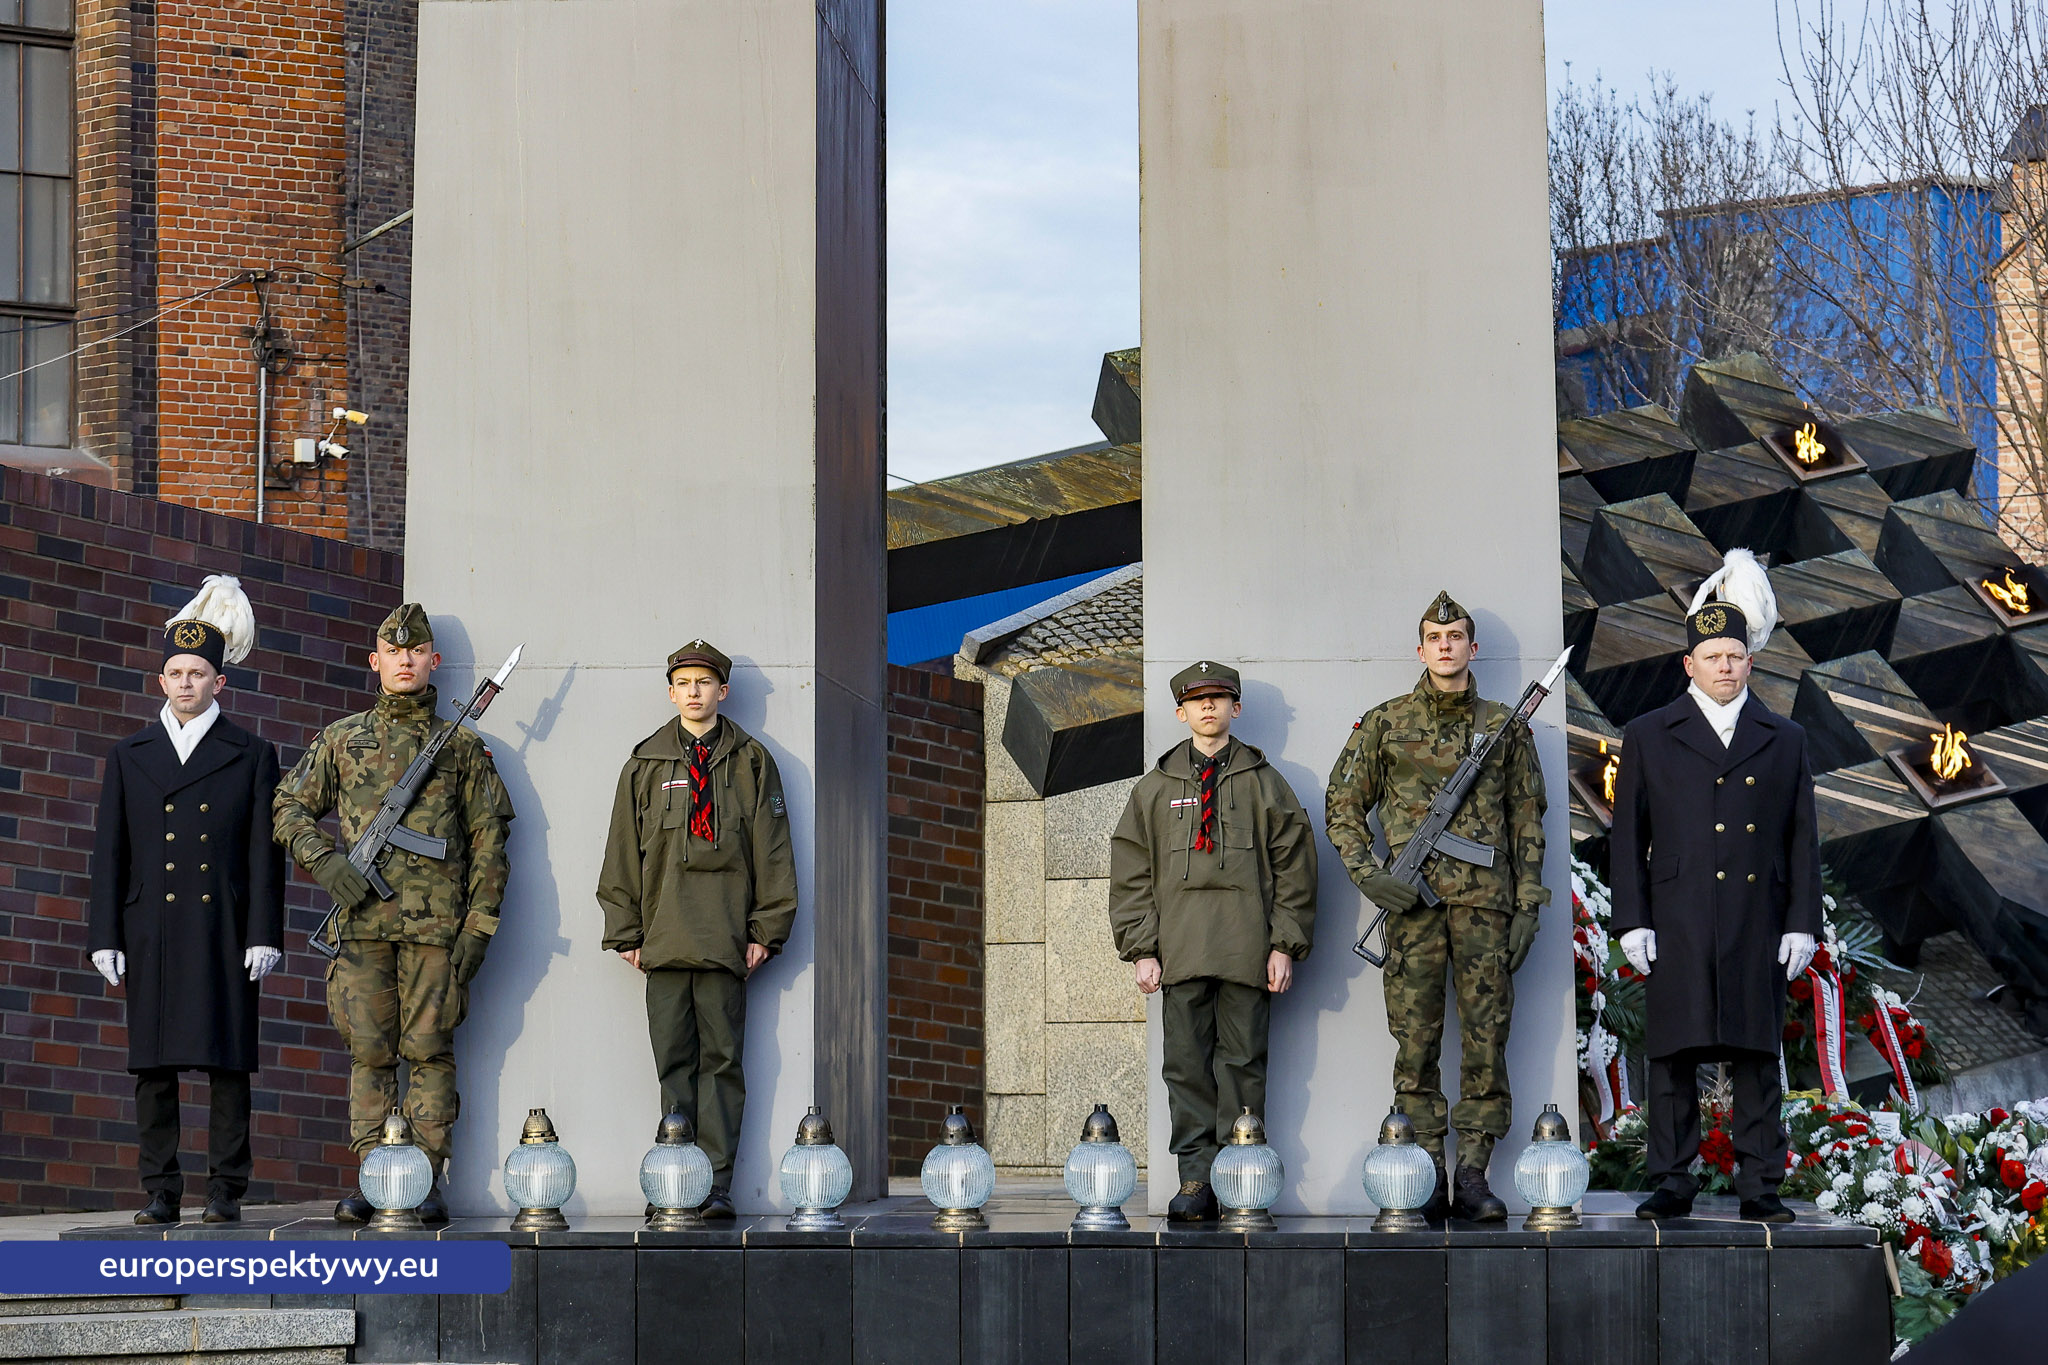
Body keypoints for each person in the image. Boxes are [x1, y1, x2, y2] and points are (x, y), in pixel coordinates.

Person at [272, 603, 515, 1224]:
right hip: (362, 926)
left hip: (437, 931)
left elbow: (490, 845)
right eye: (393, 651)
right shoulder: (342, 739)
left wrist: (478, 929)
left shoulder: (461, 747)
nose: (404, 660)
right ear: (375, 662)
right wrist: (326, 864)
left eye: (416, 651)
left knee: (429, 1051)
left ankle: (425, 1181)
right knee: (369, 1053)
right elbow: (287, 808)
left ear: (434, 661)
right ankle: (378, 1177)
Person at [1324, 591, 1550, 1222]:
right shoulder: (1385, 723)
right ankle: (1424, 1171)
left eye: (1456, 638)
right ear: (1420, 649)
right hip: (1413, 909)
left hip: (1486, 906)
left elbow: (1527, 817)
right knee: (1414, 1042)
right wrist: (1371, 878)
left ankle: (1473, 1174)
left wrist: (1529, 902)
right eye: (1434, 638)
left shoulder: (1506, 726)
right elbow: (1342, 806)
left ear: (1472, 648)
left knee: (1487, 1039)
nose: (1445, 647)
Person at [1609, 549, 1819, 1224]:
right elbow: (1626, 837)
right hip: (1678, 915)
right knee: (1672, 1054)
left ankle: (1760, 1182)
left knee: (1756, 1051)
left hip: (1755, 915)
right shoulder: (1647, 734)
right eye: (1713, 656)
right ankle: (1673, 1177)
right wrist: (1632, 920)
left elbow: (1801, 838)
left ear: (1750, 661)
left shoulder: (1784, 738)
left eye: (1735, 654)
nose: (1725, 666)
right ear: (1688, 664)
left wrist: (1801, 922)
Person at [89, 575, 285, 1225]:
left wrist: (266, 931)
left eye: (197, 672)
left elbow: (265, 852)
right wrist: (104, 935)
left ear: (219, 682)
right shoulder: (129, 754)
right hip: (151, 924)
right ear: (161, 679)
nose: (184, 682)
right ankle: (160, 1189)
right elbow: (109, 853)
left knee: (228, 1062)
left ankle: (226, 1190)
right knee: (153, 1064)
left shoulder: (253, 753)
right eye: (174, 671)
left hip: (223, 924)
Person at [1108, 660, 1319, 1222]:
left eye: (1219, 698)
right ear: (1180, 712)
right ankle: (1197, 1180)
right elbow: (1131, 872)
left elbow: (1296, 866)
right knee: (1185, 1066)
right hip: (1179, 951)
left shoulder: (1265, 783)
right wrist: (1142, 948)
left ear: (1235, 709)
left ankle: (1241, 1174)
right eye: (1197, 700)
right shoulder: (1154, 788)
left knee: (1244, 1062)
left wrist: (1284, 943)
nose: (1208, 707)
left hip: (1247, 949)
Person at [597, 641, 797, 1219]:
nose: (693, 691)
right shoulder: (646, 764)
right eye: (683, 681)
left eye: (704, 682)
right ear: (670, 691)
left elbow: (773, 853)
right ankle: (674, 1181)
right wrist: (625, 931)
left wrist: (767, 929)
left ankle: (713, 1187)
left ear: (722, 691)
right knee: (673, 1065)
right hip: (662, 941)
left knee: (723, 1064)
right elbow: (621, 855)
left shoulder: (753, 762)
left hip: (726, 940)